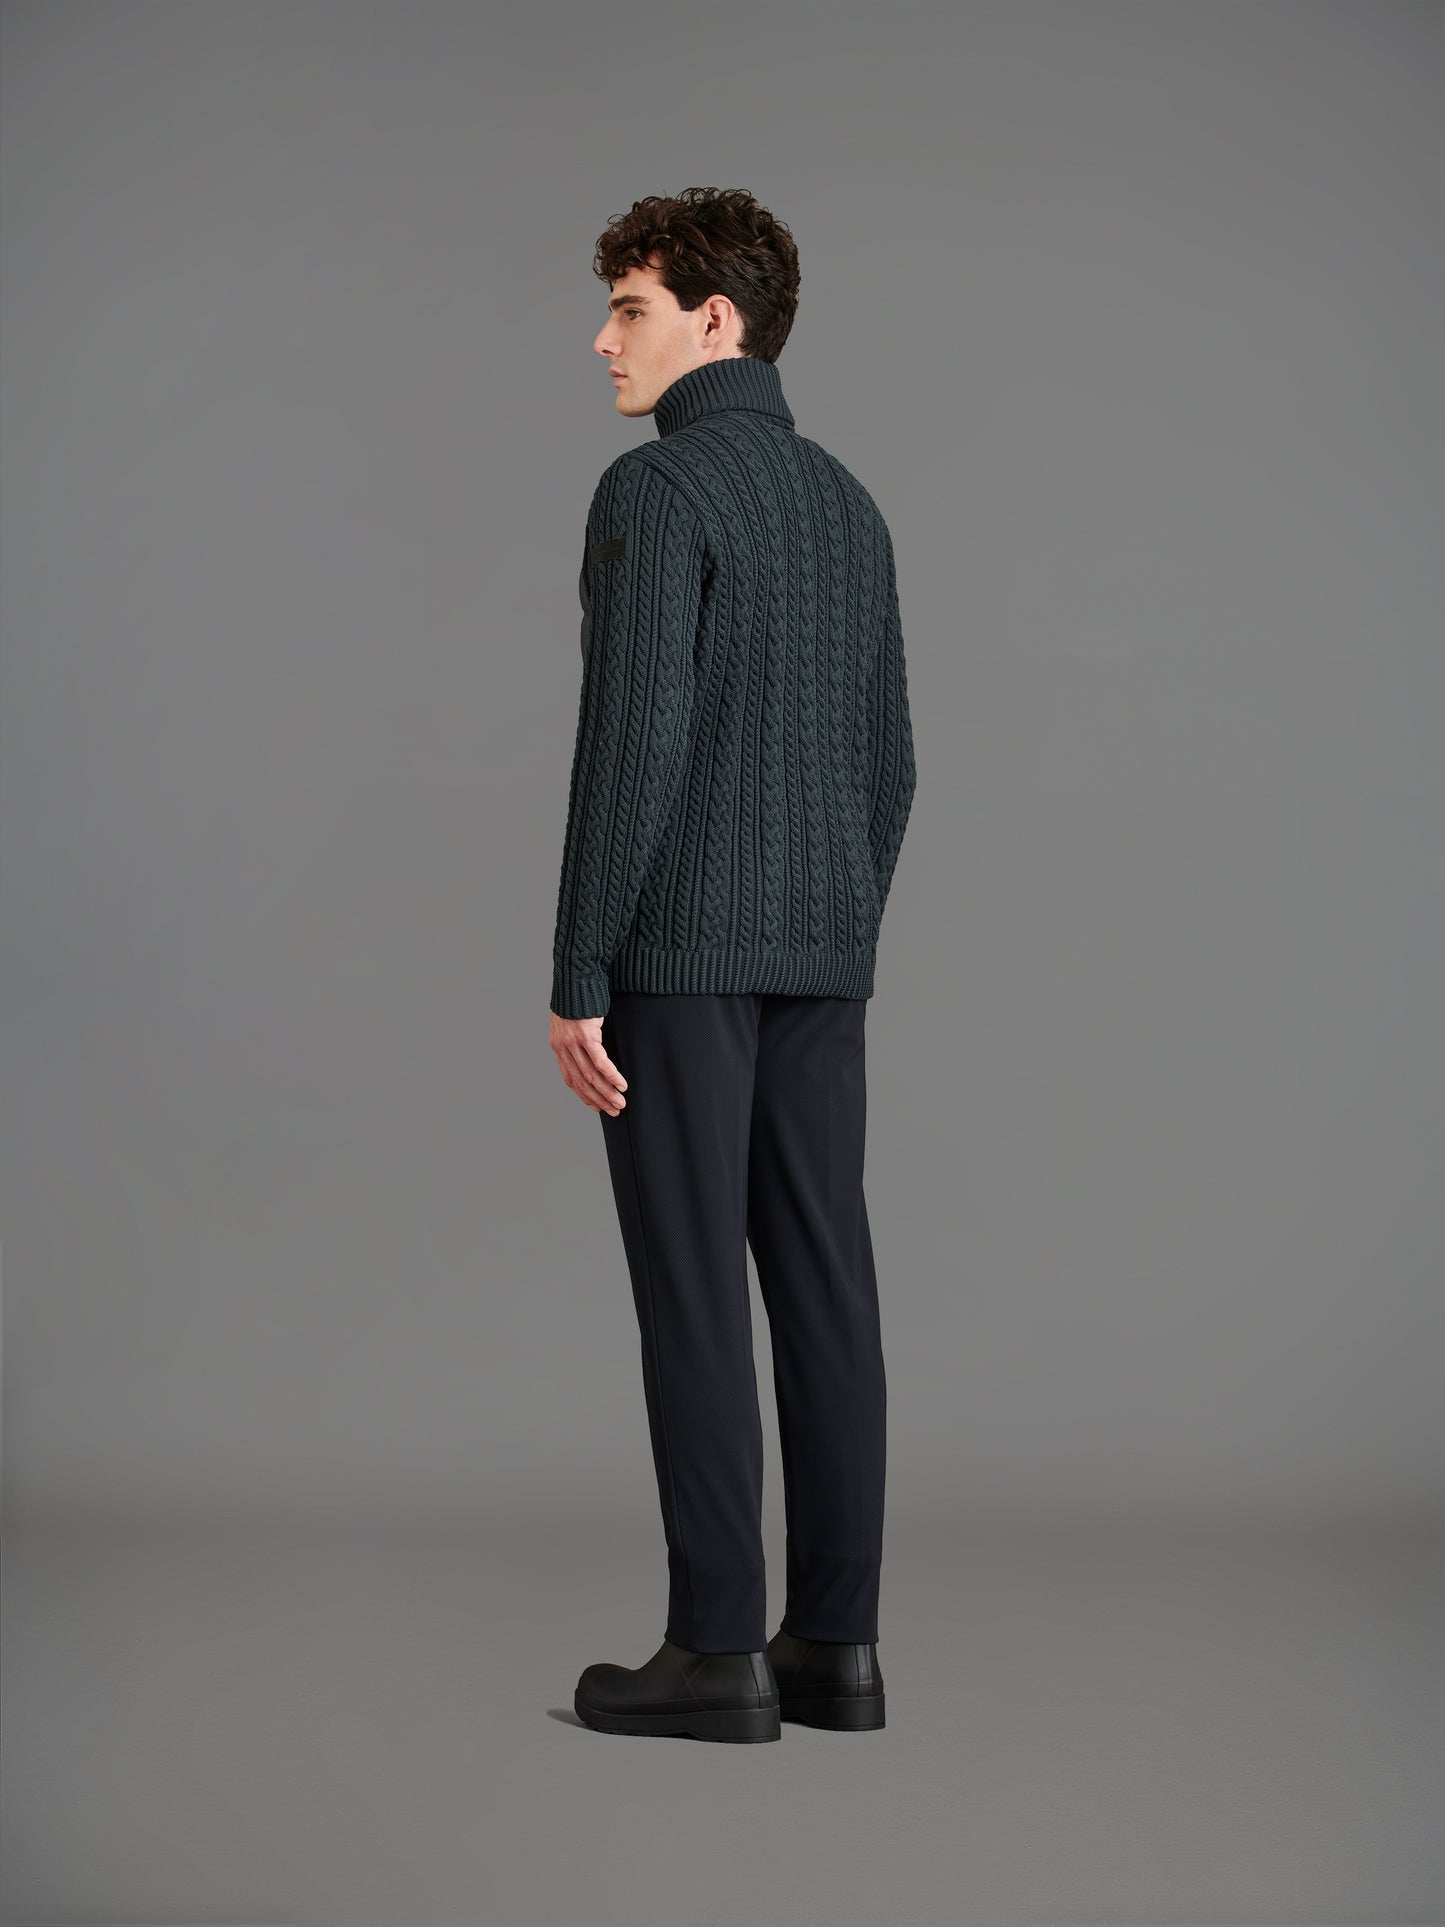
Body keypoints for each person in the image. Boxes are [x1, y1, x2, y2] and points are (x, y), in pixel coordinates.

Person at [547, 188, 917, 1743]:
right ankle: (833, 1648)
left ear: (717, 320)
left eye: (628, 309)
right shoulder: (845, 503)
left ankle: (713, 1655)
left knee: (694, 1292)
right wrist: (834, 923)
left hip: (679, 961)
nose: (601, 341)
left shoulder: (656, 488)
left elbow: (630, 745)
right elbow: (890, 761)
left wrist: (580, 965)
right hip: (823, 963)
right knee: (826, 1286)